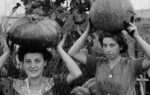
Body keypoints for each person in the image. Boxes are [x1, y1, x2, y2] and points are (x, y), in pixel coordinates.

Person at [68, 19, 150, 95]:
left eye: (112, 45)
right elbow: (73, 53)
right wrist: (87, 32)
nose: (108, 50)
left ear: (121, 46)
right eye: (105, 45)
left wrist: (137, 37)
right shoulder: (98, 63)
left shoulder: (131, 65)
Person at [0, 35, 82, 95]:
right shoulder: (13, 86)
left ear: (45, 62)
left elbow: (76, 74)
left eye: (37, 61)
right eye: (28, 61)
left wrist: (58, 49)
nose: (33, 65)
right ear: (23, 64)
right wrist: (8, 52)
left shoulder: (54, 84)